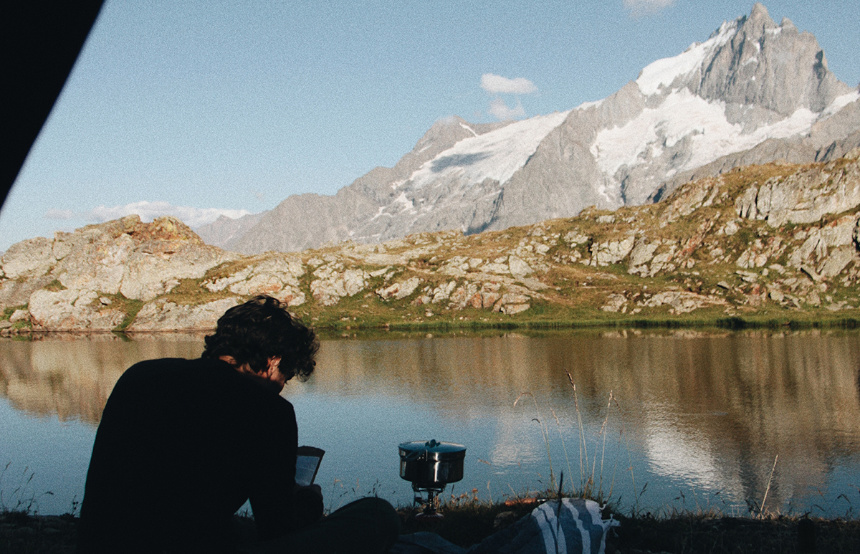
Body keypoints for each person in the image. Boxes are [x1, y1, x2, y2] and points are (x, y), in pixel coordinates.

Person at [77, 295, 399, 553]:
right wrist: (308, 500)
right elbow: (277, 527)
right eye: (285, 376)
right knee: (376, 513)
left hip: (102, 543)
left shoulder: (140, 375)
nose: (282, 387)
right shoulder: (269, 411)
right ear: (273, 360)